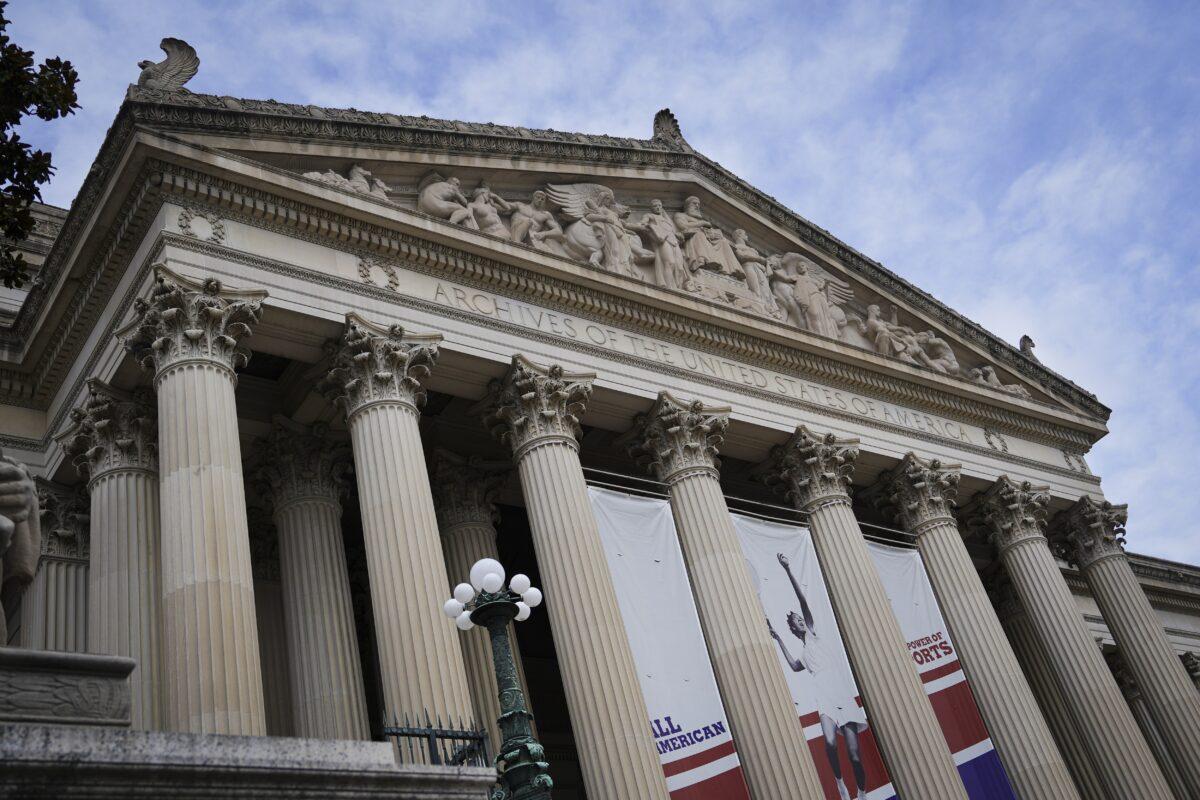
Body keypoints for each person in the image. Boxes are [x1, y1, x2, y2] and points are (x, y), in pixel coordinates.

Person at [768, 552, 868, 800]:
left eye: (802, 619)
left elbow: (802, 601)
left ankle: (862, 793)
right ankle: (840, 783)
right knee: (831, 743)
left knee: (855, 755)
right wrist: (778, 638)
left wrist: (787, 570)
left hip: (840, 691)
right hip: (823, 692)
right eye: (797, 621)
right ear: (793, 628)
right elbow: (793, 666)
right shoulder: (804, 652)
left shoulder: (813, 634)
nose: (801, 621)